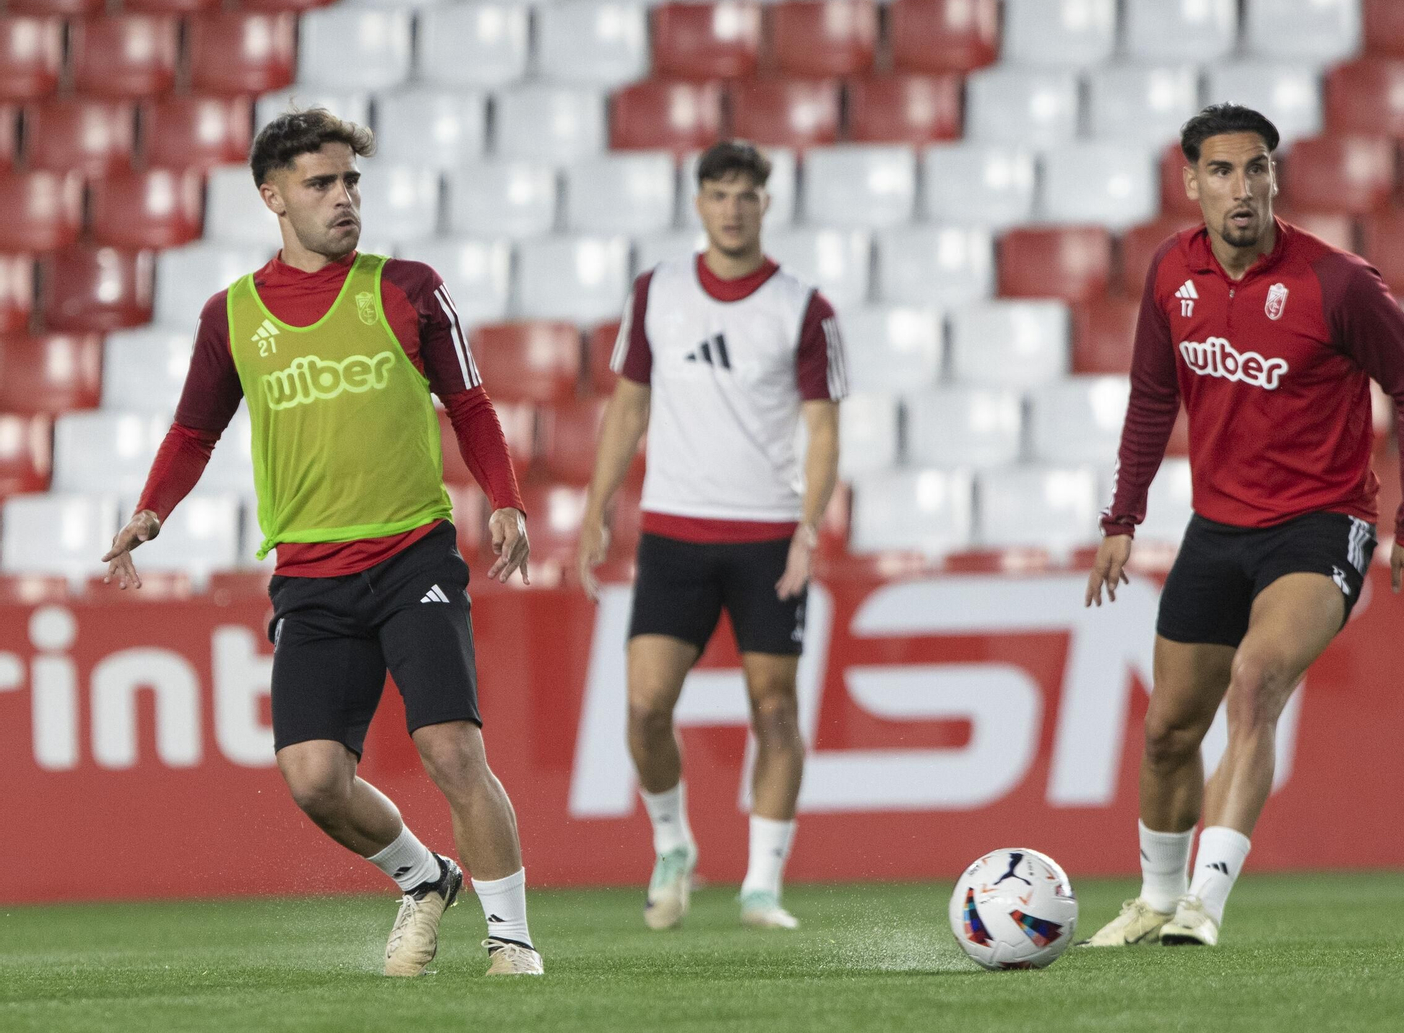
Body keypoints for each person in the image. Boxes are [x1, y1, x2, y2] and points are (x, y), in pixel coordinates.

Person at [101, 109, 543, 976]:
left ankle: (513, 941)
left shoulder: (408, 287)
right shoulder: (230, 315)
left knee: (451, 747)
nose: (344, 198)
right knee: (313, 780)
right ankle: (426, 878)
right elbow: (195, 432)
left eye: (351, 181)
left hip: (411, 554)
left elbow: (472, 406)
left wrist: (507, 500)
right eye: (321, 184)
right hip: (308, 576)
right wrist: (151, 512)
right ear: (272, 197)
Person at [1082, 104, 1404, 947]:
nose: (1241, 188)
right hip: (1218, 529)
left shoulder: (1339, 282)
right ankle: (1156, 899)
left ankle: (1204, 904)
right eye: (1221, 171)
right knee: (1170, 726)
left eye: (1257, 170)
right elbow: (1152, 395)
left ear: (1276, 178)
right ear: (1190, 183)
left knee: (1256, 682)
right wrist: (1122, 515)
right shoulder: (1171, 272)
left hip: (1321, 525)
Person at [576, 140, 847, 931]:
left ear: (768, 203)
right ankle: (673, 843)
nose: (732, 207)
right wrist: (597, 505)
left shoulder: (803, 307)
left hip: (765, 532)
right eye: (719, 193)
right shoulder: (657, 290)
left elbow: (824, 429)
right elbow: (629, 404)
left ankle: (762, 881)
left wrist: (807, 528)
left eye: (746, 194)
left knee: (775, 712)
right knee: (645, 703)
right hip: (674, 532)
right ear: (698, 202)